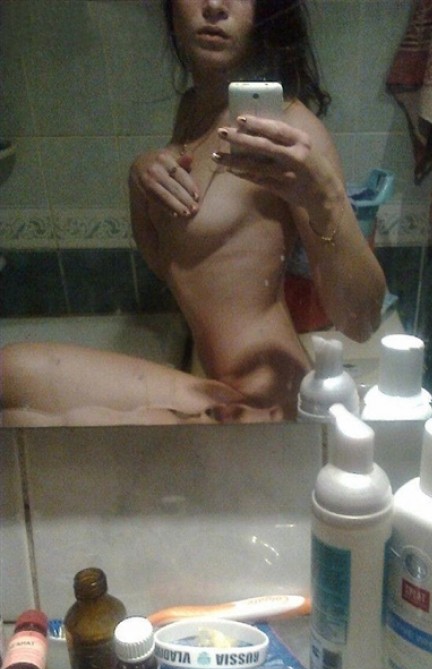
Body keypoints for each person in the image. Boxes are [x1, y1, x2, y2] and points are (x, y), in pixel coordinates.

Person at [0, 0, 385, 426]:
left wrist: (327, 199)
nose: (215, 5)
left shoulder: (291, 129)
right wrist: (140, 184)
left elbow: (362, 322)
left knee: (26, 423)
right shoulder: (194, 110)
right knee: (9, 373)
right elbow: (176, 267)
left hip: (266, 404)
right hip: (213, 385)